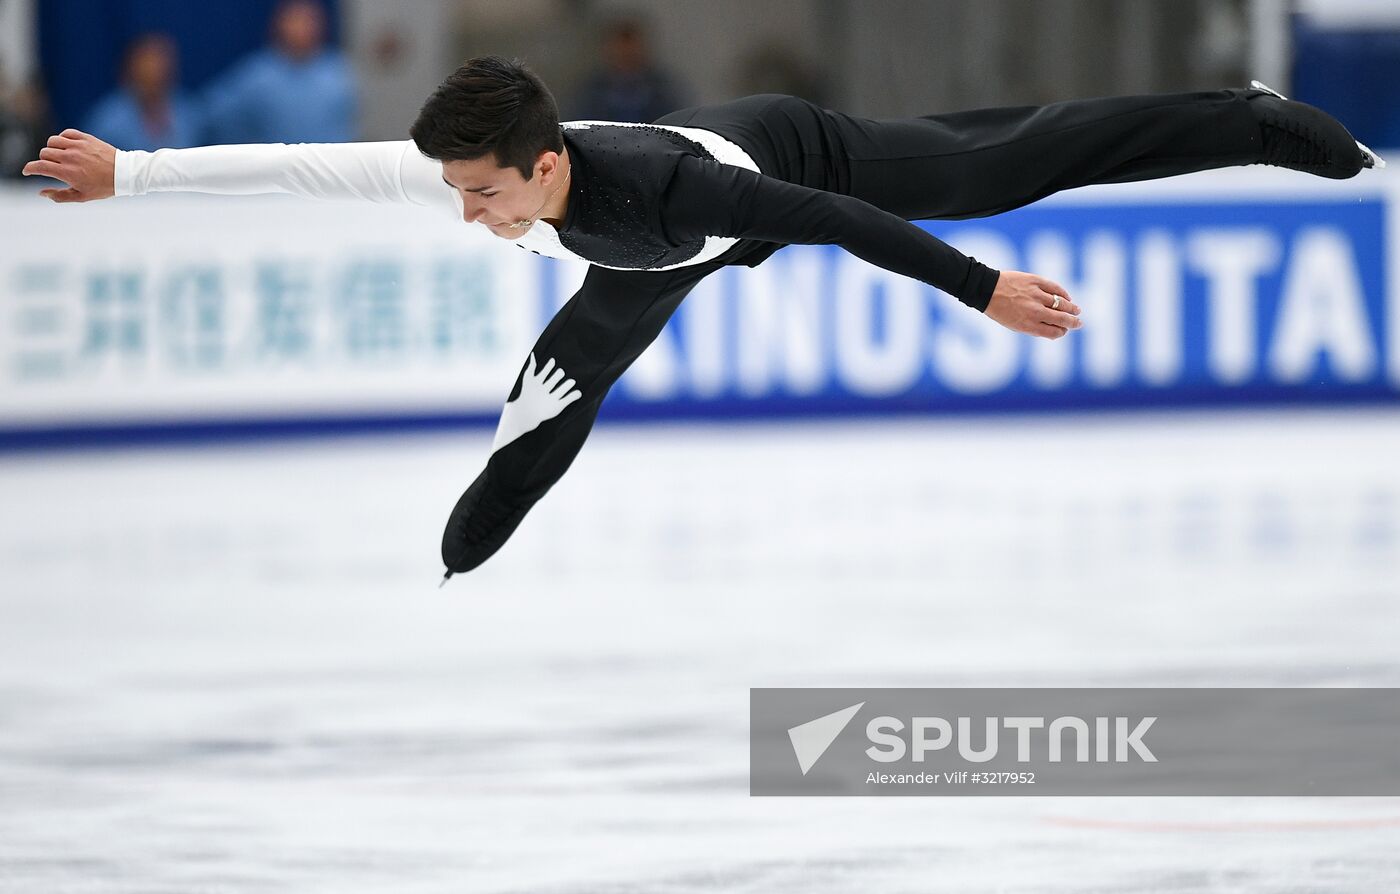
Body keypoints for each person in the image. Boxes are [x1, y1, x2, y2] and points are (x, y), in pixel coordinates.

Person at [23, 57, 1384, 581]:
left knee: (995, 168)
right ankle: (475, 536)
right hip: (650, 256)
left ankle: (1236, 115)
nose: (465, 214)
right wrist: (130, 172)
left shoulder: (682, 180)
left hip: (794, 167)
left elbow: (841, 225)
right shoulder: (501, 174)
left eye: (485, 194)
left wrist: (986, 292)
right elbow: (297, 167)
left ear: (547, 165)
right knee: (558, 385)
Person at [202, 0, 355, 144]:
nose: (302, 28)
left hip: (325, 166)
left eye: (309, 21)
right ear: (279, 24)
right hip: (273, 168)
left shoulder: (338, 71)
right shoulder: (258, 74)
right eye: (295, 20)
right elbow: (215, 116)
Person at [82, 34, 205, 152]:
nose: (155, 74)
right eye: (148, 69)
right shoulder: (108, 121)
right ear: (130, 71)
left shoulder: (189, 112)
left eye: (161, 68)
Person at [568, 16, 690, 124]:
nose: (626, 55)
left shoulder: (662, 89)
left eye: (631, 51)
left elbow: (675, 124)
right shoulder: (592, 91)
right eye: (620, 51)